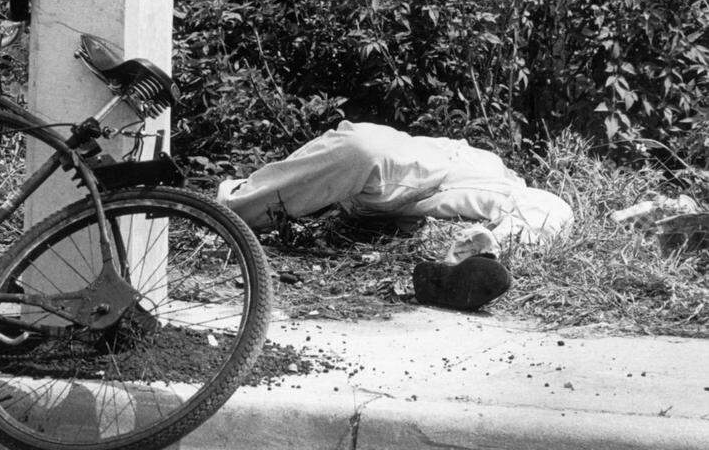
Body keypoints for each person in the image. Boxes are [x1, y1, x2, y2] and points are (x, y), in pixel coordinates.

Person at [216, 121, 574, 310]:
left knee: (555, 208)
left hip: (470, 195)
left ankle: (471, 263)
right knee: (364, 152)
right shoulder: (439, 156)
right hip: (439, 160)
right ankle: (229, 208)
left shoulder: (517, 194)